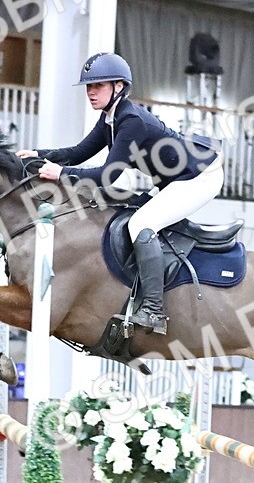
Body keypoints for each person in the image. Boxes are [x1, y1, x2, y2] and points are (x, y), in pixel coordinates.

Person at [16, 53, 224, 335]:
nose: (91, 93)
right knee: (128, 214)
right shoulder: (111, 118)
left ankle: (153, 310)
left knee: (141, 224)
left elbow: (108, 175)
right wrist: (38, 155)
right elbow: (79, 152)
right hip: (171, 179)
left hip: (200, 176)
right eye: (89, 87)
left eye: (97, 86)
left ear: (119, 87)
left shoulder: (131, 120)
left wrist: (61, 175)